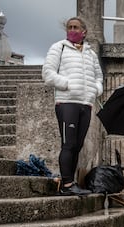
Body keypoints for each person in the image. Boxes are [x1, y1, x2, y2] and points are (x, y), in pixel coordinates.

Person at [42, 17, 103, 196]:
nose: (72, 30)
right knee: (68, 144)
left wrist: (95, 90)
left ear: (84, 31)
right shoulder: (59, 47)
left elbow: (99, 76)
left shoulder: (90, 53)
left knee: (77, 145)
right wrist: (68, 84)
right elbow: (48, 73)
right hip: (66, 102)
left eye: (76, 27)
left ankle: (72, 182)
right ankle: (67, 184)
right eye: (70, 27)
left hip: (86, 104)